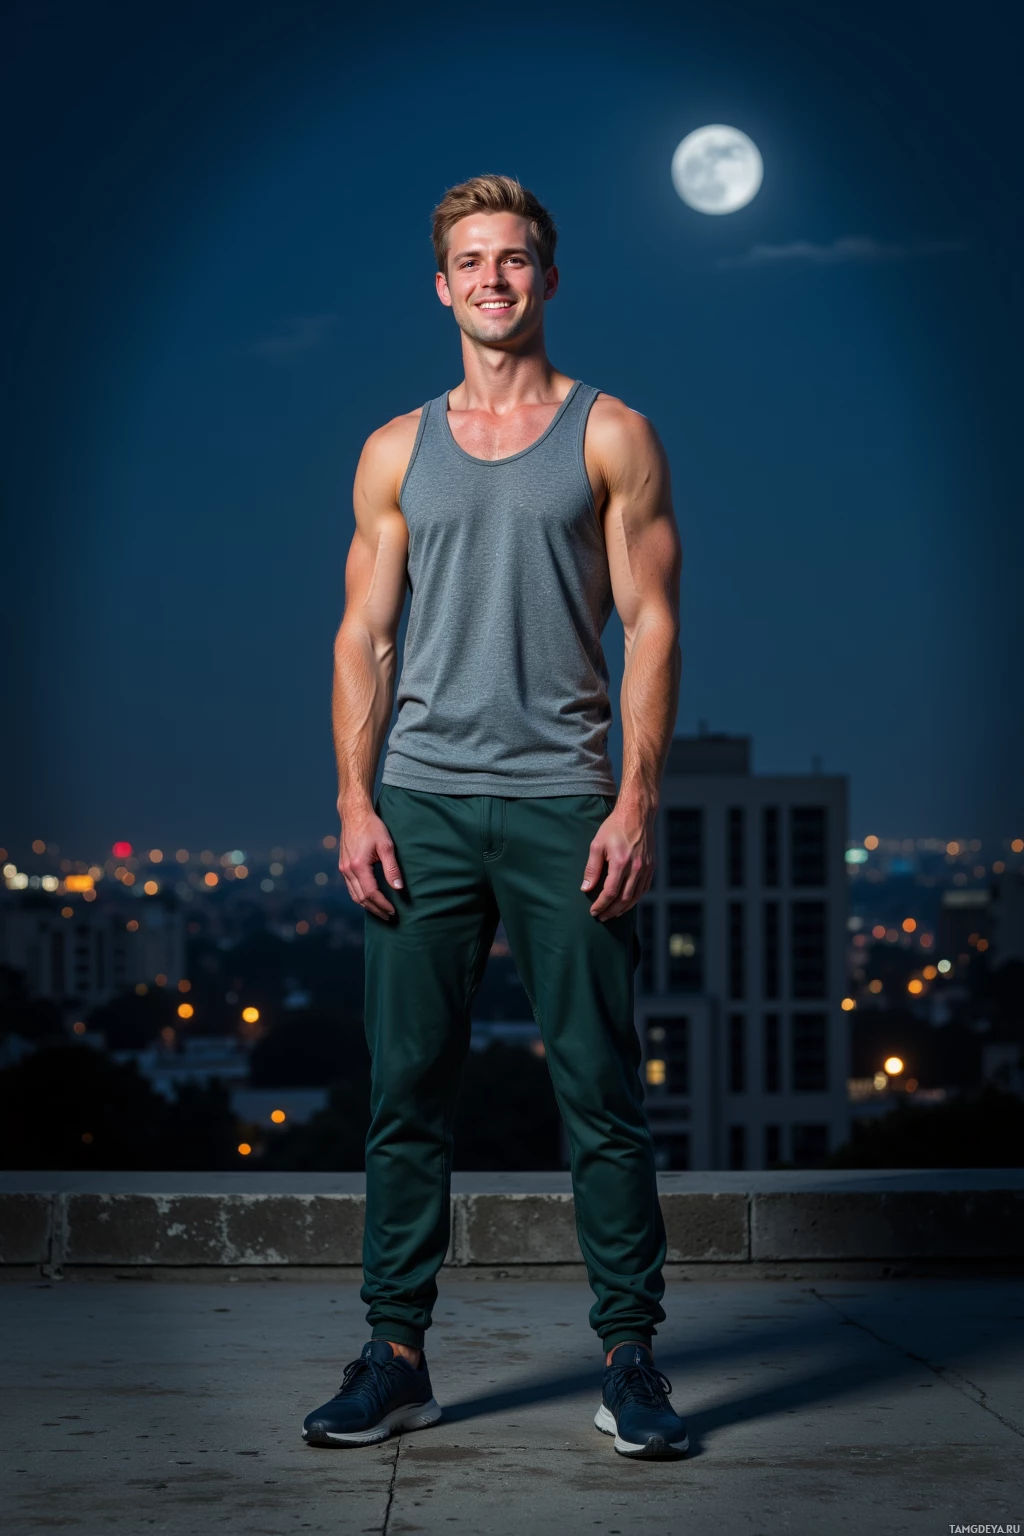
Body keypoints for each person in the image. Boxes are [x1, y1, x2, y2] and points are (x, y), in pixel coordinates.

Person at [302, 175, 686, 1460]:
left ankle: (632, 1360)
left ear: (547, 278)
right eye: (471, 260)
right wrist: (356, 800)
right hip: (417, 806)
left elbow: (652, 628)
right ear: (441, 284)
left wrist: (633, 798)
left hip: (565, 805)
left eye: (515, 258)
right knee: (406, 1089)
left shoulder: (611, 435)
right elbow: (362, 634)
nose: (493, 278)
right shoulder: (394, 449)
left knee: (598, 1091)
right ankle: (394, 1353)